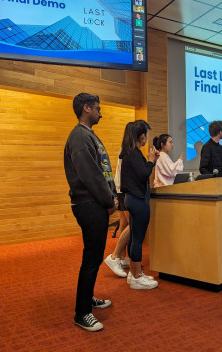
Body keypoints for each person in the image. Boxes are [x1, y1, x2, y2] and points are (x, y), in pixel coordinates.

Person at [64, 92, 118, 332]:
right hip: (89, 204)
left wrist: (112, 195)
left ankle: (88, 298)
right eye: (97, 108)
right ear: (86, 108)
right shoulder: (78, 137)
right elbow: (91, 176)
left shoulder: (89, 135)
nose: (100, 112)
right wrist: (109, 200)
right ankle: (81, 312)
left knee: (95, 257)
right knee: (91, 258)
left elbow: (104, 170)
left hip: (97, 203)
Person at [120, 120, 159, 289]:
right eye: (146, 136)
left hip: (134, 199)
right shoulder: (133, 153)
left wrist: (152, 161)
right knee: (137, 239)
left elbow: (142, 171)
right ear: (142, 136)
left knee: (135, 238)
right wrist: (150, 161)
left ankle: (134, 273)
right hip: (137, 200)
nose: (147, 139)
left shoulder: (131, 152)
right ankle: (136, 276)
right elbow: (144, 174)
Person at [104, 124, 133, 278]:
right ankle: (115, 256)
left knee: (124, 223)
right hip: (124, 191)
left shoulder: (125, 149)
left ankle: (122, 258)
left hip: (120, 190)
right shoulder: (128, 151)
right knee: (133, 225)